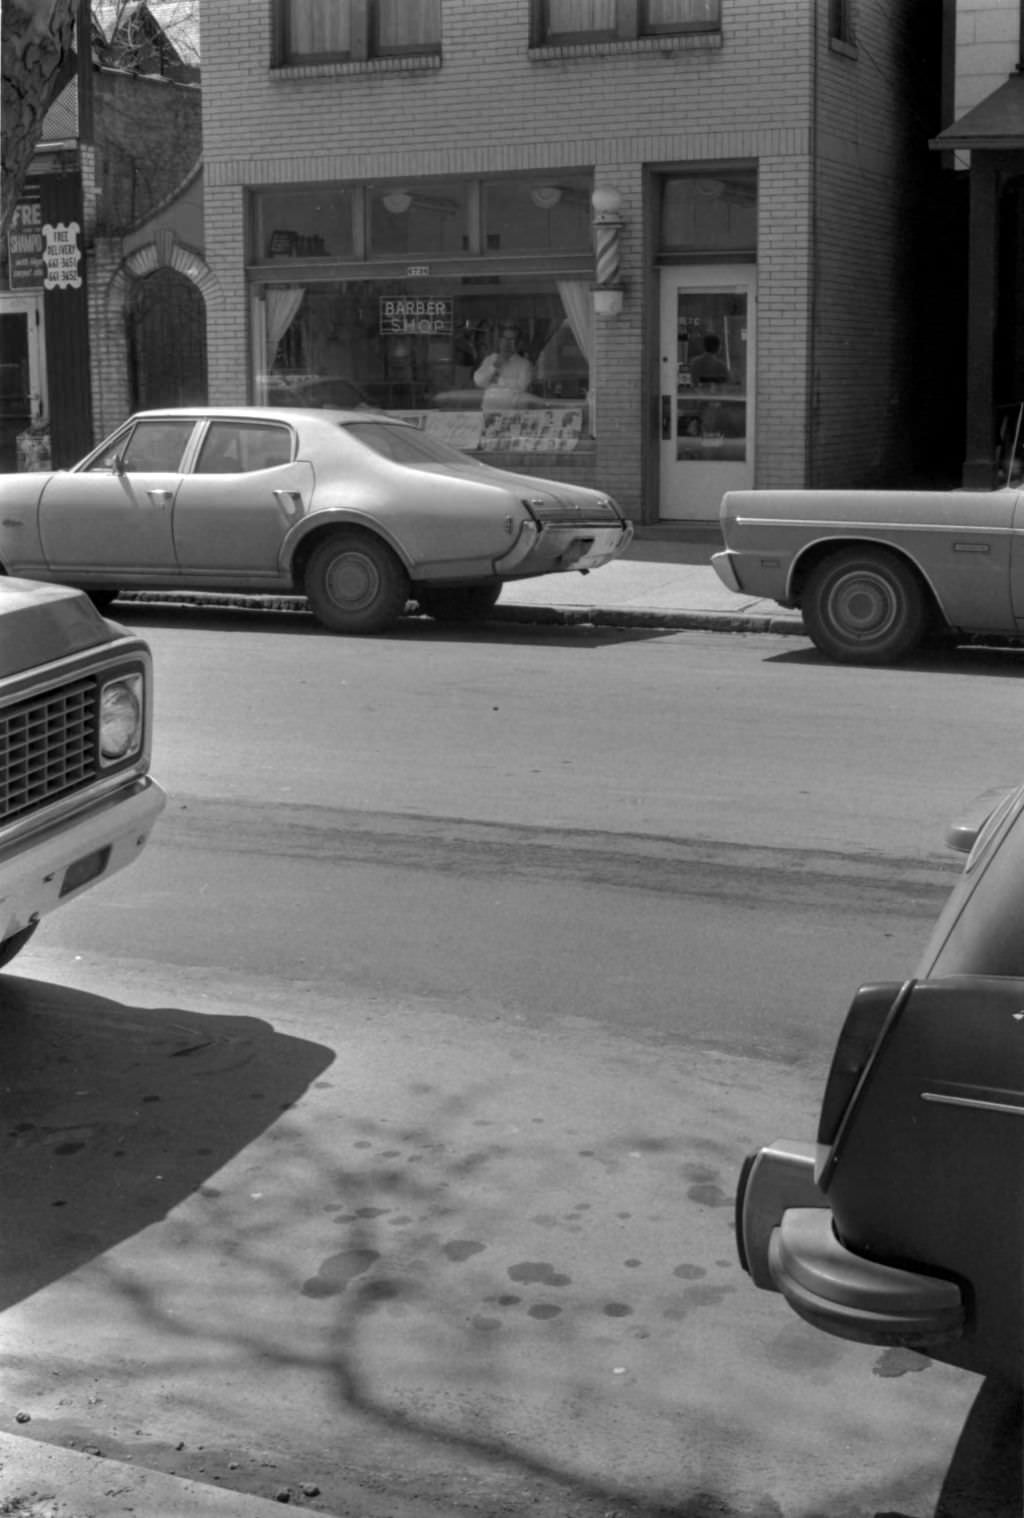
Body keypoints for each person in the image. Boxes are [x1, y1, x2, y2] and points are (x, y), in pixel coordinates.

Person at [474, 323, 535, 411]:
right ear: (500, 341)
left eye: (512, 339)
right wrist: (495, 366)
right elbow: (478, 381)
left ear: (518, 343)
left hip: (513, 415)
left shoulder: (524, 364)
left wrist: (494, 382)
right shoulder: (491, 359)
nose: (507, 343)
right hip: (489, 413)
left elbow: (521, 390)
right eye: (504, 338)